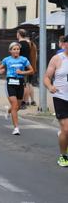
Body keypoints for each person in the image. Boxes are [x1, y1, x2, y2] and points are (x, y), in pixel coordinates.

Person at [0, 42, 33, 135]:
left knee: (18, 106)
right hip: (10, 83)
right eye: (14, 49)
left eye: (18, 49)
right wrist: (0, 71)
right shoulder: (6, 60)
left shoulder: (24, 59)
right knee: (14, 105)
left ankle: (8, 111)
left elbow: (32, 70)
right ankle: (16, 128)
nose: (16, 51)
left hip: (20, 83)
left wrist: (22, 72)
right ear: (10, 51)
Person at [44, 35, 68, 167]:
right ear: (65, 44)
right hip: (61, 97)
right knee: (66, 128)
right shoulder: (57, 59)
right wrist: (50, 86)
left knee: (66, 131)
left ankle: (64, 136)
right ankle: (63, 156)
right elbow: (47, 77)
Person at [17, 29, 30, 109]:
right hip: (27, 64)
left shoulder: (19, 44)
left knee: (23, 85)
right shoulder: (28, 43)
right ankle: (26, 101)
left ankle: (22, 102)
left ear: (19, 34)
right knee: (26, 84)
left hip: (21, 66)